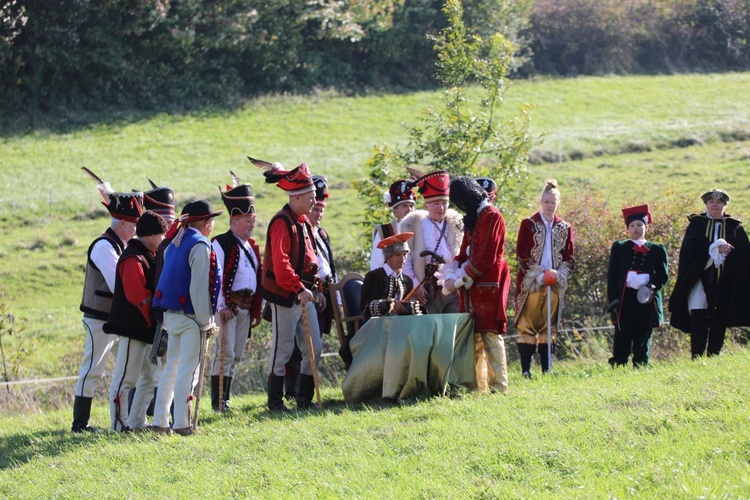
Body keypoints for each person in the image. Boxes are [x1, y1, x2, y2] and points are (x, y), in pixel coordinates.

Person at [72, 175, 143, 433]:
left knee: (129, 369)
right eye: (133, 224)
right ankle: (80, 424)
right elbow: (118, 283)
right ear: (122, 223)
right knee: (93, 369)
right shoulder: (104, 246)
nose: (136, 229)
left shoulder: (122, 243)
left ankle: (130, 417)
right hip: (98, 318)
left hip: (114, 319)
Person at [251, 157, 322, 411]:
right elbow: (281, 265)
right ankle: (275, 402)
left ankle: (304, 399)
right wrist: (298, 288)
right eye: (311, 195)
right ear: (297, 197)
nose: (315, 200)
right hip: (286, 295)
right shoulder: (282, 222)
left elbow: (312, 259)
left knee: (314, 346)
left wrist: (316, 289)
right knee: (283, 350)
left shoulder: (303, 222)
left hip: (304, 293)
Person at [151, 200, 223, 435]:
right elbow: (199, 289)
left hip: (171, 315)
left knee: (171, 368)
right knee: (188, 371)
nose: (212, 225)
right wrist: (207, 321)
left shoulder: (175, 243)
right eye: (211, 221)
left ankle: (160, 422)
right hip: (192, 317)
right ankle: (182, 423)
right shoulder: (200, 245)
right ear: (205, 222)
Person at [443, 176, 511, 393]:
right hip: (470, 286)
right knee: (473, 337)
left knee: (490, 334)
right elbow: (465, 252)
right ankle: (476, 387)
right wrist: (454, 270)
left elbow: (486, 256)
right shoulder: (474, 217)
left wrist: (462, 278)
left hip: (488, 283)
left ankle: (498, 387)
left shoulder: (492, 216)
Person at [106, 211, 168, 431]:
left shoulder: (145, 255)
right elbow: (137, 295)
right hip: (133, 327)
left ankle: (137, 421)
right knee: (126, 378)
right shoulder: (133, 257)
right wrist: (151, 320)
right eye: (161, 235)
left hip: (144, 328)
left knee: (148, 377)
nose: (163, 239)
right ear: (150, 235)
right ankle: (118, 424)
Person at [669, 189, 750, 358]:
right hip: (699, 277)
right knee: (699, 315)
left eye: (719, 202)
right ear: (706, 204)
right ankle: (696, 356)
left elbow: (744, 253)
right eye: (711, 202)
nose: (715, 205)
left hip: (725, 279)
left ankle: (714, 355)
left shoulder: (734, 226)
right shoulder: (697, 224)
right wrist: (715, 247)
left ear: (724, 205)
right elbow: (690, 249)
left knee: (720, 317)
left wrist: (729, 253)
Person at [210, 176, 263, 412]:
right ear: (234, 220)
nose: (251, 224)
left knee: (236, 354)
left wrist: (255, 308)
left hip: (245, 306)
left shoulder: (251, 246)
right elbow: (216, 277)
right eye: (247, 220)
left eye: (252, 220)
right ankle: (218, 402)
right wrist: (221, 306)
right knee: (225, 353)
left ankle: (226, 399)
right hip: (228, 308)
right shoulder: (220, 243)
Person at [514, 179, 574, 378]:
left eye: (553, 202)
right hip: (532, 282)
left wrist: (560, 274)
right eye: (547, 201)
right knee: (528, 324)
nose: (550, 205)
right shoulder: (528, 224)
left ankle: (547, 369)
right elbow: (521, 253)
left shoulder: (565, 227)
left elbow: (569, 256)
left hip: (555, 282)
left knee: (549, 326)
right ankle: (525, 370)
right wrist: (538, 274)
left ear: (558, 203)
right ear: (541, 201)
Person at [285, 175, 335, 400]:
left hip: (319, 293)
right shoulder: (298, 229)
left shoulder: (321, 234)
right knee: (294, 349)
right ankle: (291, 392)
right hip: (296, 293)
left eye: (321, 209)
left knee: (315, 345)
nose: (319, 213)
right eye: (316, 208)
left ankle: (304, 396)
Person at [607, 205, 669, 367]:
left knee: (643, 332)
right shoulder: (620, 247)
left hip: (646, 298)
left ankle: (640, 363)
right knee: (622, 332)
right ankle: (619, 362)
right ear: (628, 228)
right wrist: (613, 298)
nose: (636, 228)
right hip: (625, 297)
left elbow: (662, 275)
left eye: (640, 225)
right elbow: (612, 275)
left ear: (646, 227)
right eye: (632, 225)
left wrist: (651, 288)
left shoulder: (657, 249)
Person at [399, 169, 463, 314]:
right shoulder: (413, 224)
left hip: (453, 286)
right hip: (428, 290)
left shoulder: (456, 223)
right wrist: (415, 287)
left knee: (452, 330)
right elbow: (406, 261)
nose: (441, 208)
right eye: (436, 203)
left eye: (444, 203)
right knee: (430, 332)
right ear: (426, 205)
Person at [361, 232, 423, 320]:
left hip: (401, 326)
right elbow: (366, 307)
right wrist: (390, 305)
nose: (403, 259)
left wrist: (412, 307)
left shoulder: (407, 280)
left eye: (405, 255)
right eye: (398, 255)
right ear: (388, 257)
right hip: (377, 326)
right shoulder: (373, 277)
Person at [370, 180, 416, 270]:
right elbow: (376, 265)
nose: (409, 209)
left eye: (411, 206)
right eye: (404, 206)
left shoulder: (422, 228)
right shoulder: (385, 231)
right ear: (395, 211)